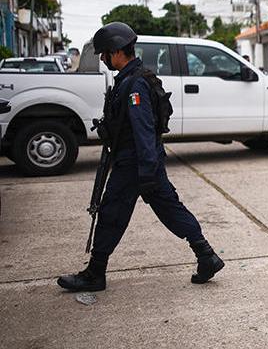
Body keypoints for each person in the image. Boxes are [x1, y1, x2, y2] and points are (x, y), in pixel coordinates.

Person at [57, 22, 224, 292]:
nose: (103, 59)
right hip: (144, 161)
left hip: (136, 162)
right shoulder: (131, 78)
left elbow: (143, 129)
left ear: (116, 51)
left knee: (111, 212)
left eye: (105, 54)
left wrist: (146, 172)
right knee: (170, 208)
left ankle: (95, 273)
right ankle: (206, 256)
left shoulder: (135, 85)